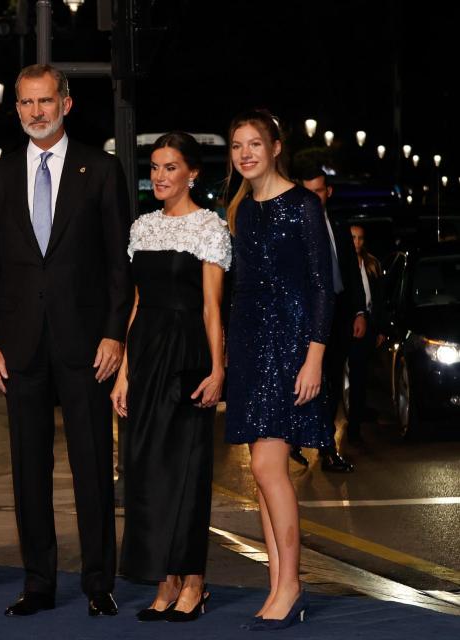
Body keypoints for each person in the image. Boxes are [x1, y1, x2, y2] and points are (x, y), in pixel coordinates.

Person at [0, 64, 132, 617]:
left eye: (45, 101)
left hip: (87, 343)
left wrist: (115, 333)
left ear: (66, 102)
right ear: (16, 109)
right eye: (26, 103)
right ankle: (38, 583)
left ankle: (98, 583)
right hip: (19, 348)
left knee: (91, 466)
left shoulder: (103, 170)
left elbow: (118, 264)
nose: (36, 111)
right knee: (28, 470)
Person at [111, 133, 229, 622]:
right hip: (144, 353)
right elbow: (135, 305)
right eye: (155, 167)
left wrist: (219, 369)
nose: (159, 176)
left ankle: (194, 582)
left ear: (192, 173)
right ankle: (164, 579)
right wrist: (122, 374)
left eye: (170, 167)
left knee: (186, 470)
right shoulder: (142, 229)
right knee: (143, 470)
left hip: (187, 354)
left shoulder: (209, 228)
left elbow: (211, 307)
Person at [224, 110, 334, 630]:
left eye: (254, 144)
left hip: (290, 346)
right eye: (236, 146)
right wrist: (227, 353)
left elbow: (320, 285)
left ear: (273, 148)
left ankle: (291, 585)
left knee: (270, 469)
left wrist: (314, 354)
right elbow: (240, 288)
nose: (245, 153)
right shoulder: (241, 210)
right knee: (263, 478)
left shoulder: (304, 205)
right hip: (248, 347)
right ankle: (277, 584)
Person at [288, 169, 365, 471]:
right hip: (305, 320)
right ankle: (294, 440)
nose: (313, 198)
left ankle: (327, 446)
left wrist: (359, 311)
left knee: (331, 384)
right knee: (302, 382)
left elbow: (350, 272)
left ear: (328, 192)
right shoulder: (295, 226)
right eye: (307, 191)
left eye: (318, 191)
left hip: (339, 317)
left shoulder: (339, 225)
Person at [347, 224, 384, 442]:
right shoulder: (344, 263)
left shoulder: (372, 264)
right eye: (353, 238)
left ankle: (357, 420)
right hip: (349, 324)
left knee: (362, 374)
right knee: (355, 373)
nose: (357, 242)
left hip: (368, 323)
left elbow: (379, 298)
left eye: (360, 238)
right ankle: (353, 423)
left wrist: (379, 328)